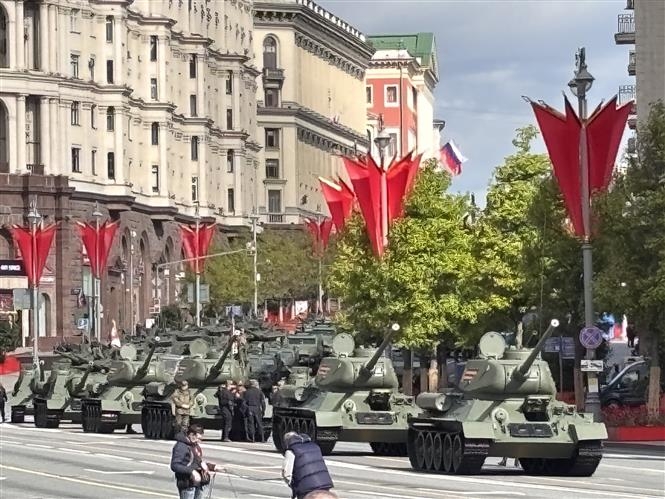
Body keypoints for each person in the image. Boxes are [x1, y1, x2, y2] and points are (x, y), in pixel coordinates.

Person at [170, 424, 221, 499]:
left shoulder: (194, 445)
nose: (199, 441)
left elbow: (197, 462)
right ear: (191, 435)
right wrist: (192, 471)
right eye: (198, 438)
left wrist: (212, 467)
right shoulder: (181, 447)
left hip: (198, 483)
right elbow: (175, 465)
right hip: (187, 484)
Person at [281, 432, 334, 499]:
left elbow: (286, 471)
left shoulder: (291, 450)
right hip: (324, 483)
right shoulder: (315, 446)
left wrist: (291, 484)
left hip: (306, 487)